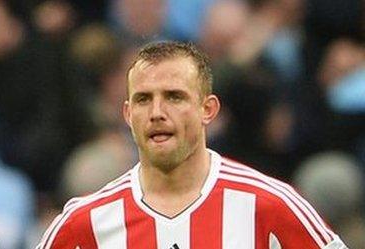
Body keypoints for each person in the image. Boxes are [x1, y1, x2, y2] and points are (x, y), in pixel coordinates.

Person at [37, 41, 347, 249]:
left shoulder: (271, 205)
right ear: (128, 114)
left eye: (174, 96)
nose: (157, 113)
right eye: (144, 99)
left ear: (208, 109)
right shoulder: (84, 222)